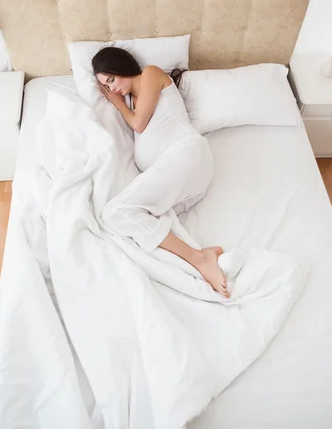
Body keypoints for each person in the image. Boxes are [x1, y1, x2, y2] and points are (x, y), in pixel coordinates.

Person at [92, 46, 229, 298]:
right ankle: (198, 261)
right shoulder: (133, 100)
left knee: (114, 213)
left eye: (111, 79)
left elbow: (139, 123)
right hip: (183, 184)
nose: (112, 89)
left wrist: (118, 103)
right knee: (134, 226)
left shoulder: (150, 75)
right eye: (106, 87)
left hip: (186, 154)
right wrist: (122, 101)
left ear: (121, 66)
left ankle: (199, 258)